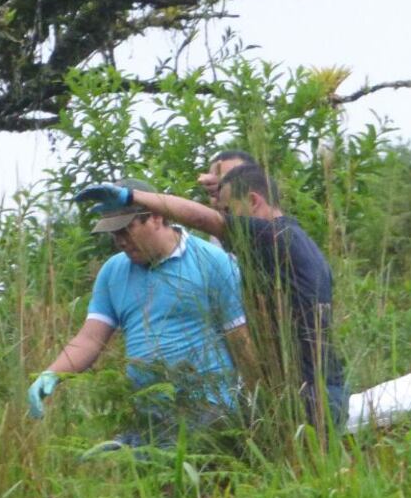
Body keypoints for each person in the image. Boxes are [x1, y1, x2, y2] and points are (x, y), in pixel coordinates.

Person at [75, 165, 349, 431]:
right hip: (319, 386)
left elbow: (204, 220)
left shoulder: (274, 237)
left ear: (254, 202)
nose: (225, 216)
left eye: (229, 210)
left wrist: (132, 197)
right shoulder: (296, 244)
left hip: (309, 394)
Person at [28, 178, 251, 451]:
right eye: (114, 234)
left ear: (156, 217)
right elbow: (90, 339)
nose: (120, 241)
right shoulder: (113, 272)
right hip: (147, 410)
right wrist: (51, 374)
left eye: (126, 230)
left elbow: (240, 338)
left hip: (208, 404)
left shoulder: (212, 262)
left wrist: (259, 403)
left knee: (171, 474)